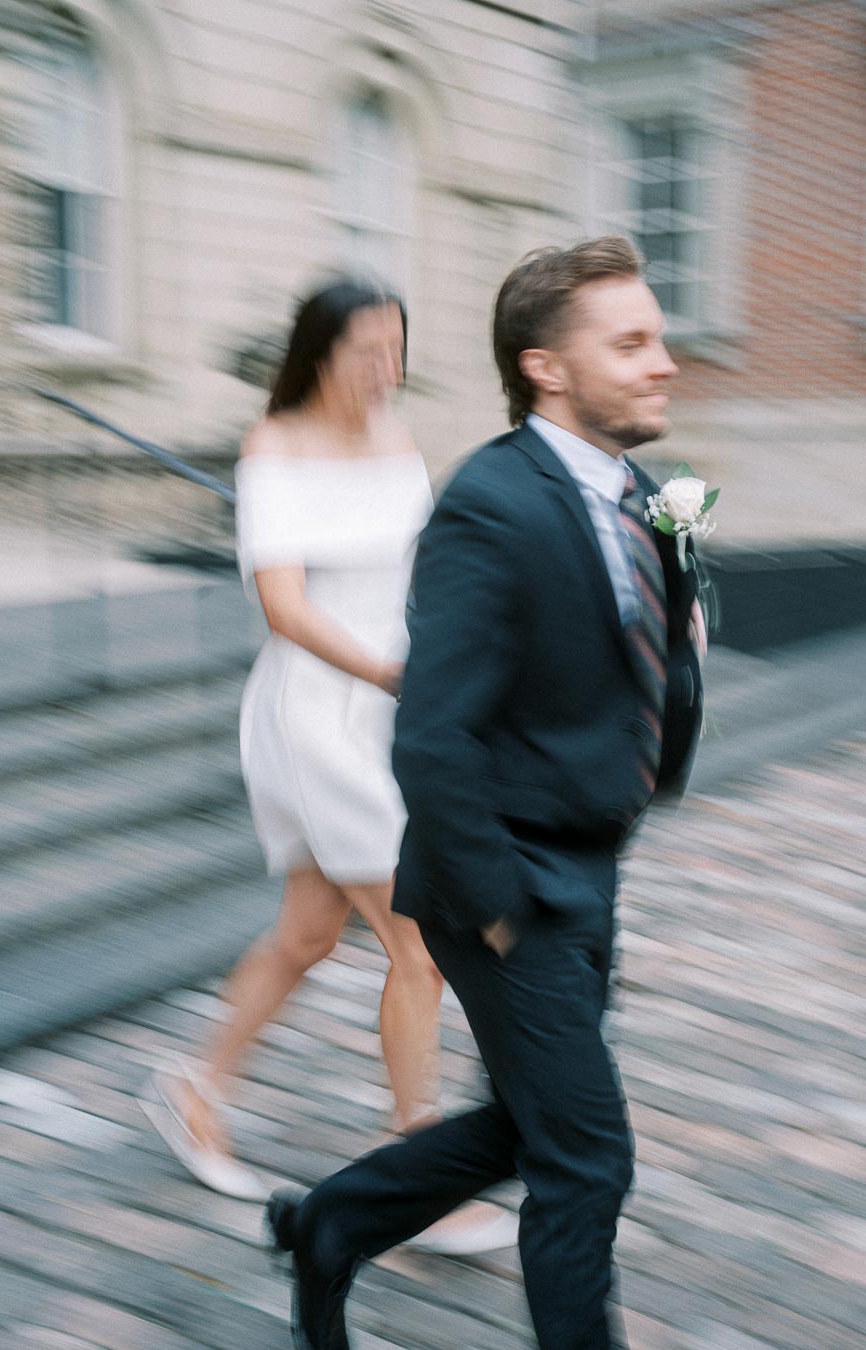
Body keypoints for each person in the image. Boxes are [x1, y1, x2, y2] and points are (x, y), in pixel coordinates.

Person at [265, 237, 705, 1350]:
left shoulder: (643, 494)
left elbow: (645, 652)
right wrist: (503, 907)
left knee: (528, 1128)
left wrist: (680, 629)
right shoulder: (489, 504)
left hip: (592, 858)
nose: (664, 362)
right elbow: (432, 732)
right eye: (633, 342)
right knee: (589, 1158)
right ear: (546, 367)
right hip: (509, 884)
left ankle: (332, 1224)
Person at [143, 281, 515, 1259]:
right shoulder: (275, 446)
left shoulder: (398, 439)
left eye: (397, 347)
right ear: (319, 353)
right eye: (366, 349)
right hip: (318, 711)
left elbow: (427, 568)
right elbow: (286, 609)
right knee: (418, 941)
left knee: (309, 935)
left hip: (399, 707)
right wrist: (390, 672)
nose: (385, 368)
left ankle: (194, 1087)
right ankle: (417, 1178)